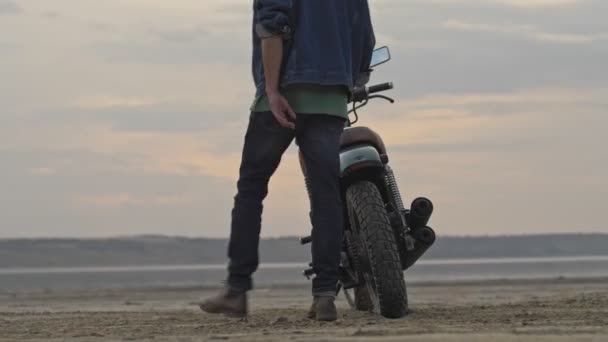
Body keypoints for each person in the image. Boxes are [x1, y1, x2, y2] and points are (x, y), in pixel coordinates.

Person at [199, 0, 375, 322]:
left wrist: (271, 89)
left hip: (283, 93)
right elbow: (365, 37)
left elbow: (272, 26)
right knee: (326, 195)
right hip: (332, 97)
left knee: (251, 189)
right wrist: (349, 82)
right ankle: (324, 296)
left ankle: (236, 290)